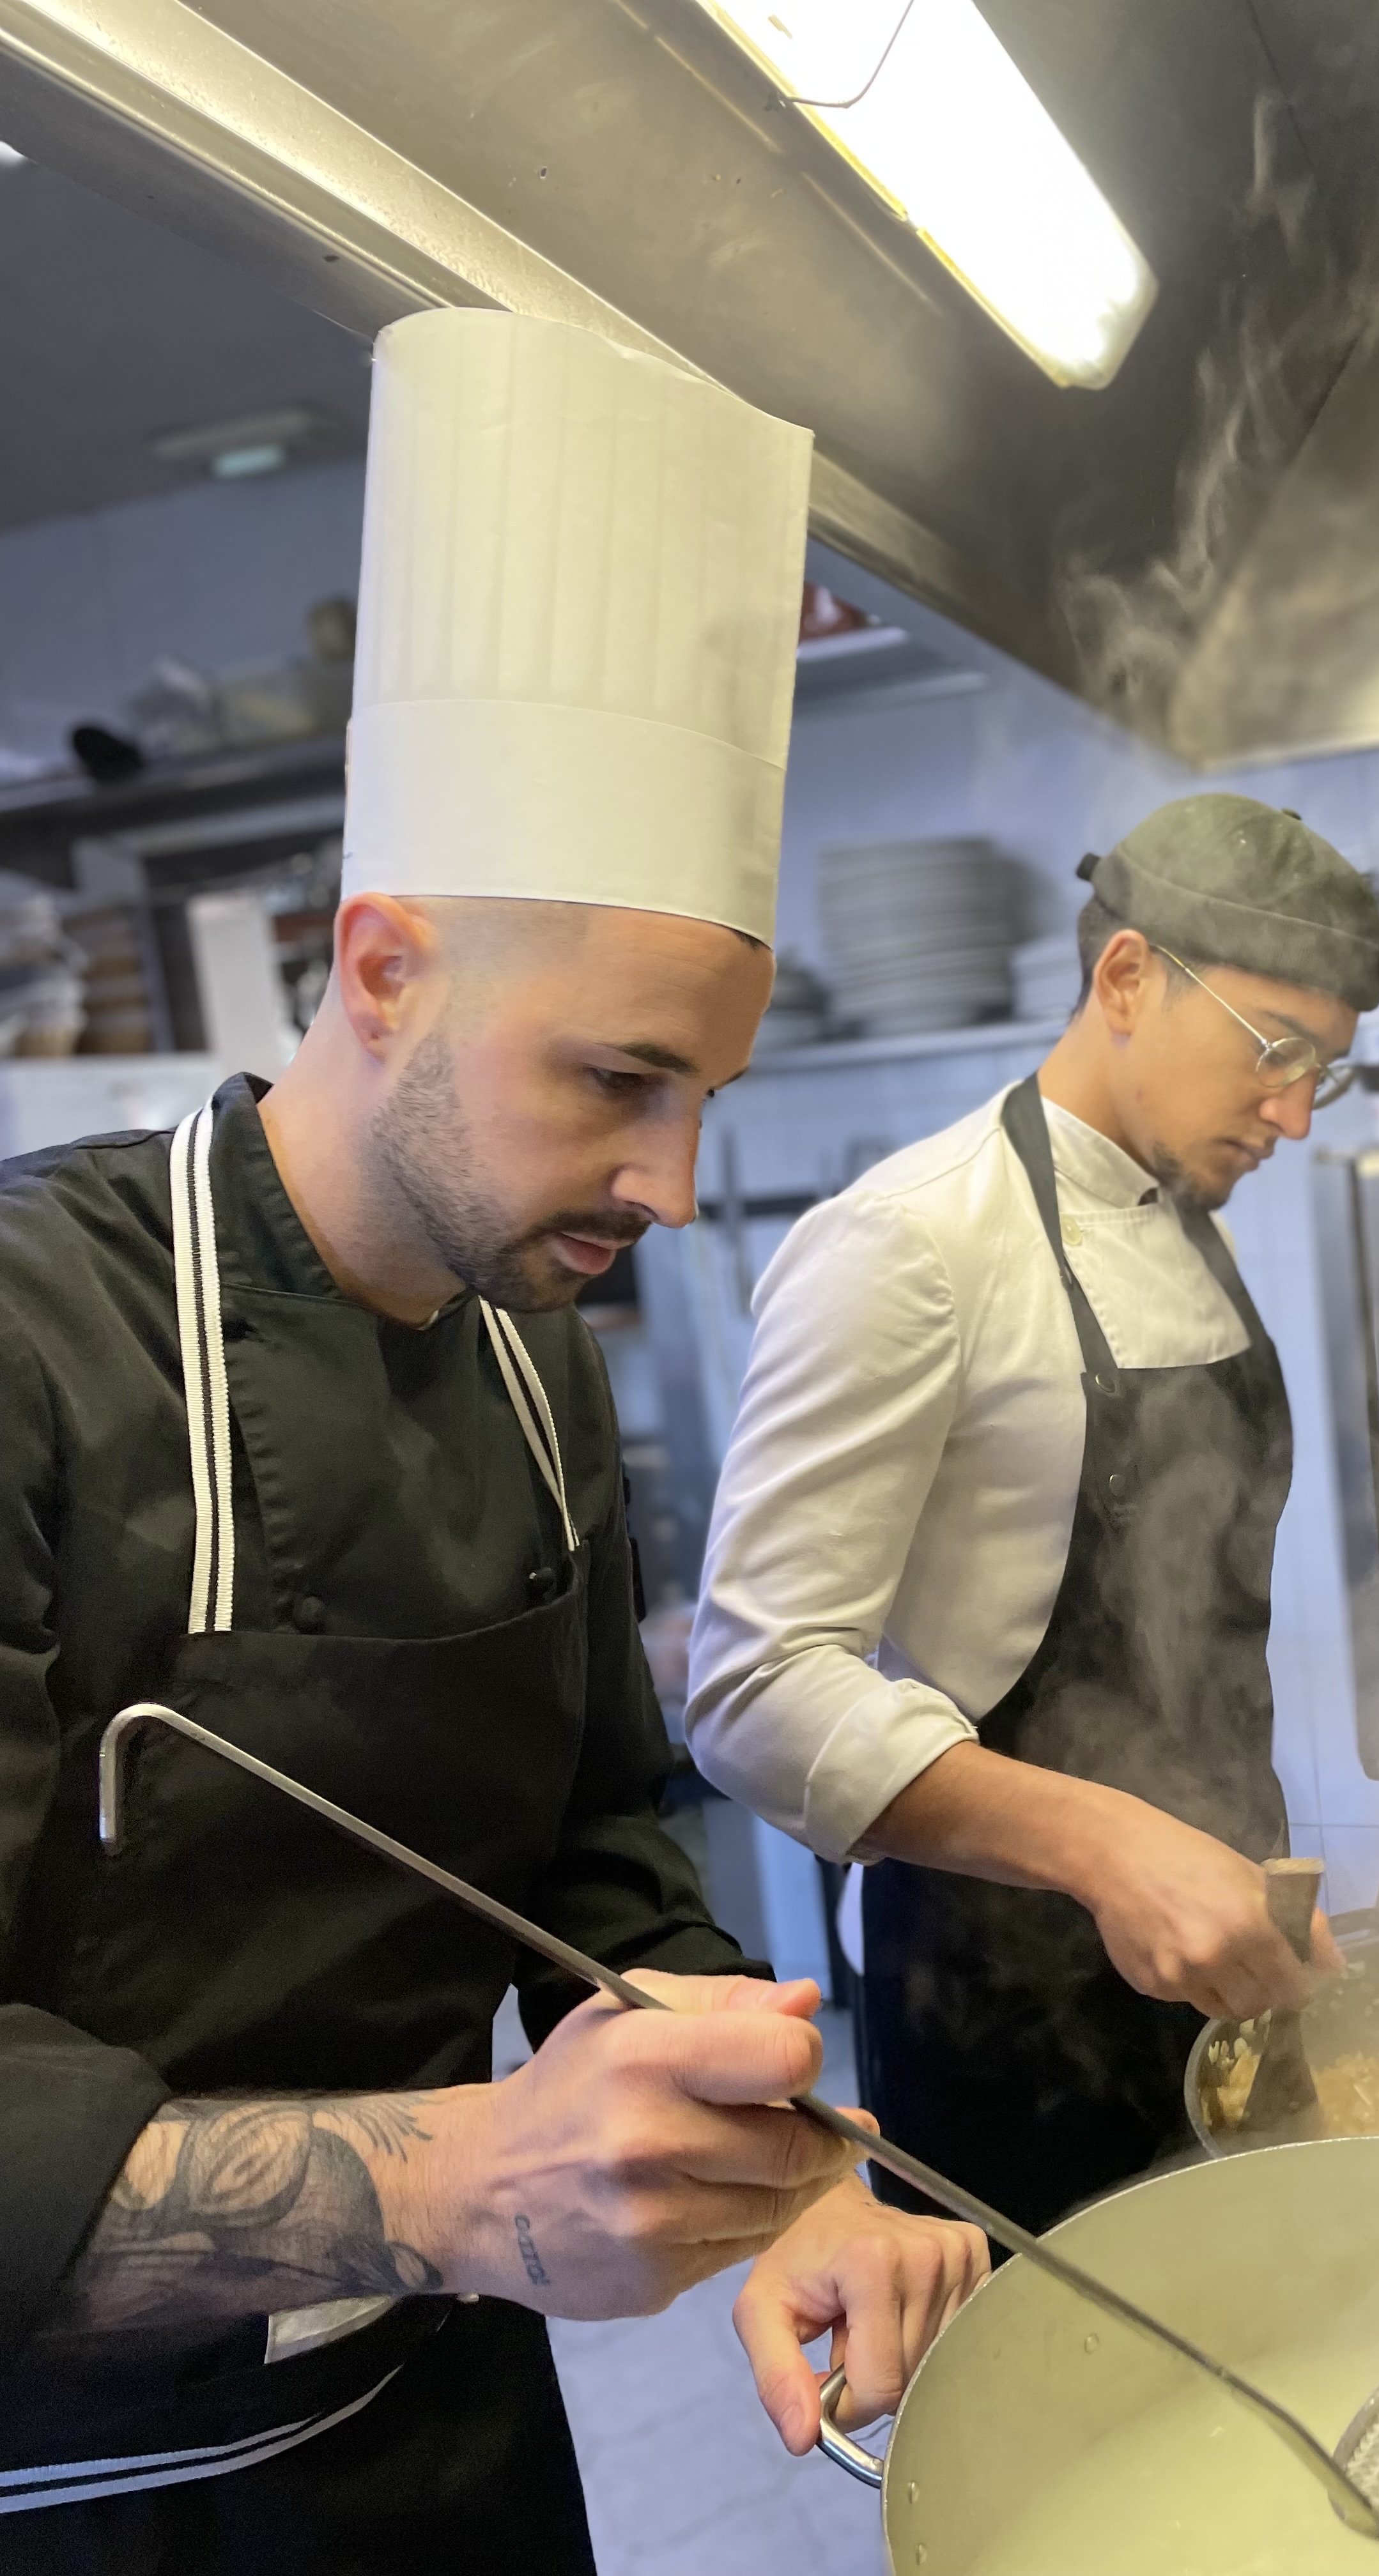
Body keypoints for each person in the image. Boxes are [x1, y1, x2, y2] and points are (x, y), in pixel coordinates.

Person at [0, 309, 984, 2572]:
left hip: (442, 2425)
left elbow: (589, 1845)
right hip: (81, 2496)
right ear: (382, 964)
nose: (668, 1185)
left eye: (704, 1097)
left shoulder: (528, 1342)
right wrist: (458, 2178)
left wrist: (788, 2148)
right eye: (616, 1078)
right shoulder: (36, 1340)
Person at [687, 796, 1379, 2237]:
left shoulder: (1188, 1214)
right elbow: (751, 1693)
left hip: (1218, 1943)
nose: (1297, 1111)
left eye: (1329, 1066)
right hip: (996, 1997)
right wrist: (1110, 1845)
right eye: (1274, 1049)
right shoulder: (907, 1245)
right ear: (1127, 977)